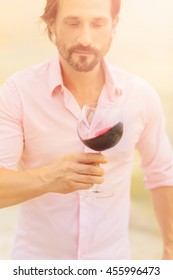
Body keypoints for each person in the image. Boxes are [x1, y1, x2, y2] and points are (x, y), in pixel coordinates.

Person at [0, 0, 173, 260]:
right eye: (72, 23)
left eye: (98, 23)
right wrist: (49, 178)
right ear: (51, 24)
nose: (85, 37)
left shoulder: (140, 95)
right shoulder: (18, 93)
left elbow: (162, 175)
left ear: (113, 25)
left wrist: (170, 250)